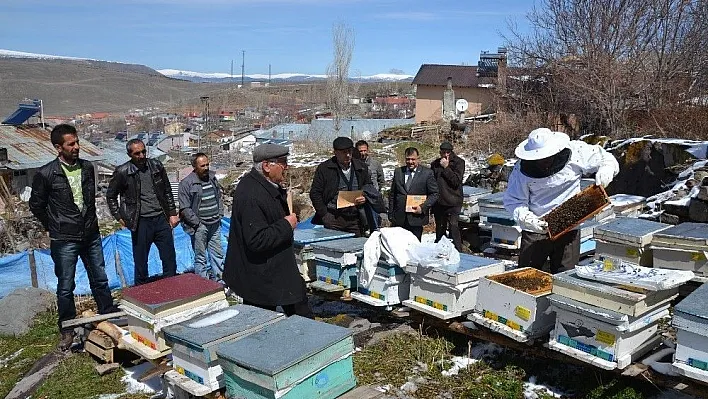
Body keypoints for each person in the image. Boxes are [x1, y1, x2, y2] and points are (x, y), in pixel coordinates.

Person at [29, 124, 116, 350]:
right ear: (59, 147)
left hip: (90, 233)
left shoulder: (87, 168)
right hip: (64, 238)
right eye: (71, 144)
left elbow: (88, 200)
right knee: (66, 286)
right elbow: (36, 205)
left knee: (100, 277)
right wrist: (54, 224)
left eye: (77, 142)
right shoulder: (46, 173)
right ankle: (67, 329)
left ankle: (109, 316)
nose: (77, 147)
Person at [504, 128, 619, 273]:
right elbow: (514, 200)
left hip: (569, 226)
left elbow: (606, 158)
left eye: (547, 157)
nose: (544, 162)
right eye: (539, 159)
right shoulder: (521, 171)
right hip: (536, 228)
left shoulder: (577, 152)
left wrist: (606, 170)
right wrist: (526, 218)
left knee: (565, 276)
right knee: (527, 275)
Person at [223, 143, 312, 317]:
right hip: (262, 273)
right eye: (282, 162)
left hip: (274, 268)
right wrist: (287, 224)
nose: (286, 167)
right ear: (266, 166)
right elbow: (256, 239)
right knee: (266, 319)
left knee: (294, 305)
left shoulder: (263, 185)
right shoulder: (252, 194)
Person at [106, 139, 179, 285]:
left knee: (169, 257)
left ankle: (172, 288)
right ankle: (142, 292)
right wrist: (119, 217)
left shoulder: (156, 166)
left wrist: (172, 213)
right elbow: (111, 196)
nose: (142, 155)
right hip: (140, 222)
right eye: (137, 153)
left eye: (144, 151)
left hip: (160, 218)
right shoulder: (123, 172)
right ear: (129, 154)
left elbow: (167, 190)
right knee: (141, 261)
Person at [310, 137, 374, 237]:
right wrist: (324, 214)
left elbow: (369, 187)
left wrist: (365, 197)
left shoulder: (361, 167)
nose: (348, 155)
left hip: (355, 218)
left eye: (349, 151)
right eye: (344, 152)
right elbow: (315, 193)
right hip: (333, 218)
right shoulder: (325, 168)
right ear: (335, 152)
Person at [178, 153, 224, 282]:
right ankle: (203, 284)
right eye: (202, 165)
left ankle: (220, 282)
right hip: (200, 226)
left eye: (207, 164)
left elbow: (218, 197)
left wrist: (220, 214)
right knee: (201, 257)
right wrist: (197, 223)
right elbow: (185, 208)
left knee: (217, 254)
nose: (206, 168)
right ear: (194, 166)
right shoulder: (187, 183)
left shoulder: (212, 178)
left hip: (215, 223)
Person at [388, 147, 439, 240]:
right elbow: (393, 194)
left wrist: (423, 207)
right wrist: (391, 214)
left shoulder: (427, 173)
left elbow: (434, 194)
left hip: (416, 218)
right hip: (399, 218)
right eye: (408, 159)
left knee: (414, 248)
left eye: (413, 159)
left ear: (418, 159)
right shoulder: (398, 172)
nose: (410, 162)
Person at [431, 142, 465, 251]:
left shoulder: (459, 163)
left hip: (453, 201)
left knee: (453, 226)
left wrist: (446, 168)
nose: (445, 155)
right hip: (439, 202)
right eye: (443, 152)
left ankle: (458, 251)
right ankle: (439, 251)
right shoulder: (435, 164)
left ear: (451, 152)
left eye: (448, 152)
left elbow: (456, 181)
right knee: (440, 229)